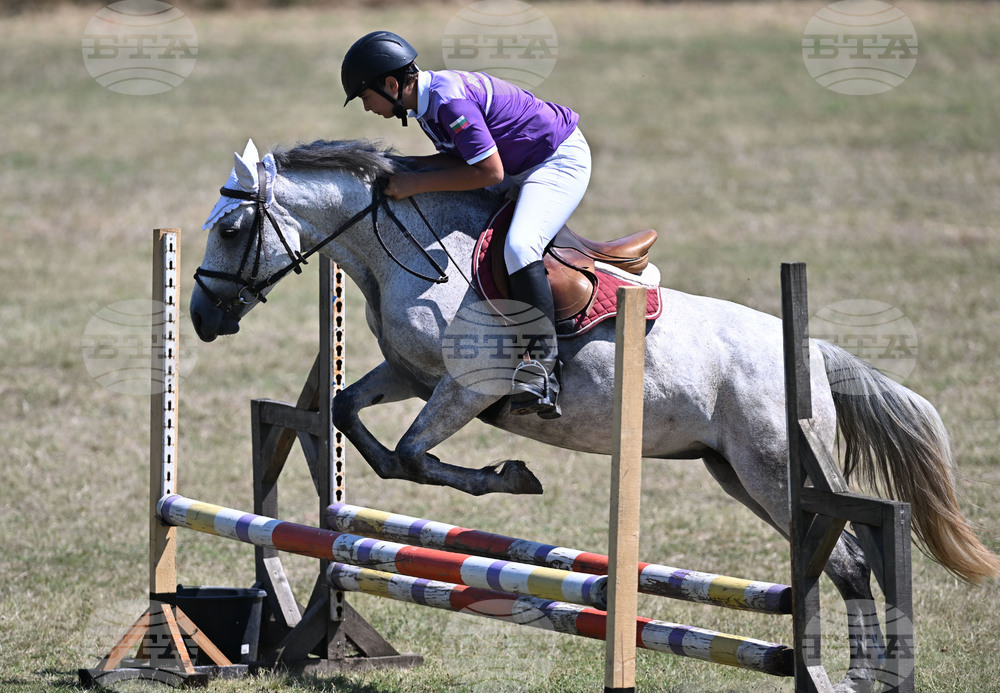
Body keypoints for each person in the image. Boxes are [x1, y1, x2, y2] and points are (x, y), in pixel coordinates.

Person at [342, 30, 591, 419]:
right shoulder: (425, 105)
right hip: (517, 165)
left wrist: (416, 181)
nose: (366, 107)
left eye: (365, 96)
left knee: (519, 246)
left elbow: (488, 172)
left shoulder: (447, 101)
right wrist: (405, 166)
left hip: (554, 162)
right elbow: (461, 161)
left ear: (391, 85)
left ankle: (543, 368)